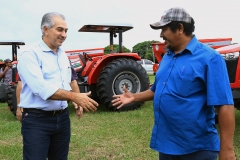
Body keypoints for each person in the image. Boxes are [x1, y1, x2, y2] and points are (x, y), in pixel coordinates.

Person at [112, 7, 236, 160]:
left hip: (197, 148)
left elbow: (225, 104)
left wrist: (227, 149)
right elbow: (158, 90)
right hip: (167, 145)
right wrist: (134, 97)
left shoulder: (210, 58)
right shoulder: (168, 57)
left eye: (164, 29)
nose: (161, 34)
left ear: (180, 28)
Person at [17, 12, 98, 160]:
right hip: (37, 120)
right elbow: (41, 88)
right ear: (45, 29)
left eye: (66, 31)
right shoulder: (30, 54)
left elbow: (69, 81)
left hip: (62, 119)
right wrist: (74, 97)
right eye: (59, 29)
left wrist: (75, 102)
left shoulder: (62, 55)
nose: (64, 34)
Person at [16, 63, 83, 122]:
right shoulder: (32, 59)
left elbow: (73, 82)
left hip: (62, 116)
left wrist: (79, 102)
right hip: (37, 115)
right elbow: (21, 84)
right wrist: (20, 106)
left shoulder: (64, 59)